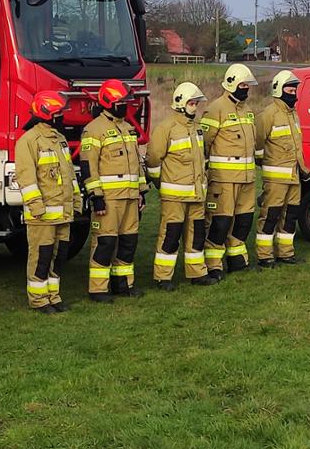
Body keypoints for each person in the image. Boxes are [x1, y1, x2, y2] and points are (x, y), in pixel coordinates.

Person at [77, 79, 145, 301]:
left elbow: (137, 163)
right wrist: (96, 197)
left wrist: (141, 191)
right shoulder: (94, 130)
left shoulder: (127, 128)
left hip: (130, 197)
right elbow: (88, 167)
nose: (125, 105)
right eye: (122, 101)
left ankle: (123, 285)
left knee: (128, 242)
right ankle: (98, 289)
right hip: (108, 199)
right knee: (105, 243)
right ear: (109, 102)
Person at [14, 91, 80, 314]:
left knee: (59, 256)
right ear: (47, 114)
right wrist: (37, 207)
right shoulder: (28, 141)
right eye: (59, 113)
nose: (62, 117)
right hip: (42, 216)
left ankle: (54, 296)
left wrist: (76, 200)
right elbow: (27, 178)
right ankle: (39, 299)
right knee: (41, 257)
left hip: (63, 213)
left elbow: (69, 175)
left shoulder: (59, 139)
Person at [148, 83, 218, 289]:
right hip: (174, 197)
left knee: (196, 235)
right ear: (180, 103)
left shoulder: (197, 129)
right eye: (191, 103)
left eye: (196, 103)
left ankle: (197, 274)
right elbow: (153, 160)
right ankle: (163, 277)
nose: (195, 107)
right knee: (171, 235)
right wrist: (161, 184)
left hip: (196, 195)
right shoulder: (166, 129)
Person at [201, 64, 259, 275]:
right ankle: (214, 264)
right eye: (242, 85)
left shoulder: (248, 111)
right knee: (220, 222)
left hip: (247, 179)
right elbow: (204, 144)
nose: (245, 89)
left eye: (247, 85)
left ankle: (237, 261)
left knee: (243, 221)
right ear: (232, 83)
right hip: (223, 180)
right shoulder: (215, 109)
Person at [254, 70, 307, 266]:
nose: (293, 93)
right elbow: (258, 144)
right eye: (289, 89)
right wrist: (266, 163)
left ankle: (285, 253)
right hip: (276, 178)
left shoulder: (293, 115)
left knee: (290, 216)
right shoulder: (268, 115)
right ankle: (264, 255)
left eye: (294, 89)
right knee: (270, 216)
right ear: (278, 90)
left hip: (294, 176)